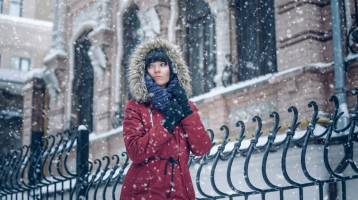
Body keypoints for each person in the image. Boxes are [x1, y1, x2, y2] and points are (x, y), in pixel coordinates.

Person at [120, 38, 212, 200]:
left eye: (162, 64)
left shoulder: (186, 105)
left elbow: (202, 147)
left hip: (180, 191)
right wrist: (167, 124)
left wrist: (185, 108)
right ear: (144, 71)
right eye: (151, 65)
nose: (157, 70)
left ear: (172, 68)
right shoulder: (136, 106)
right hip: (144, 193)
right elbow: (135, 152)